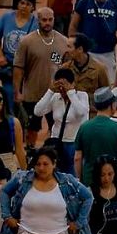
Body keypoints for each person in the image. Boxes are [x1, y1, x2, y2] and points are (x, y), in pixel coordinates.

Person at [14, 8, 70, 143]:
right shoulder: (27, 42)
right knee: (31, 129)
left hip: (56, 94)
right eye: (44, 20)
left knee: (57, 127)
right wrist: (17, 91)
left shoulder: (63, 41)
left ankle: (53, 151)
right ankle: (30, 151)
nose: (47, 23)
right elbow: (18, 69)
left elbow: (68, 67)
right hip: (33, 94)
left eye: (50, 20)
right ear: (38, 20)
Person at [27, 68, 89, 168]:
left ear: (73, 83)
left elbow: (81, 112)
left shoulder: (82, 96)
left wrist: (70, 92)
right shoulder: (55, 97)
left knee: (73, 174)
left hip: (75, 143)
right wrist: (50, 91)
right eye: (59, 86)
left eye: (64, 85)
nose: (62, 89)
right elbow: (37, 111)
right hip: (57, 143)